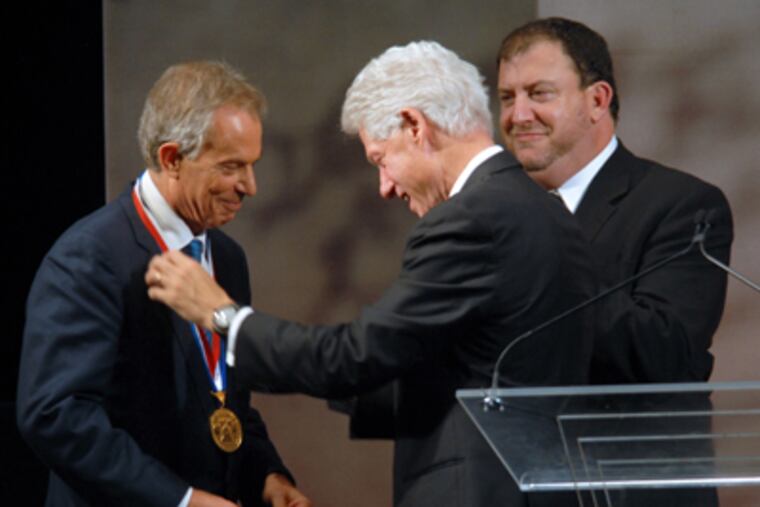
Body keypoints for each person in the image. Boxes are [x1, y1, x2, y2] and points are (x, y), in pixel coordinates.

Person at [146, 41, 596, 507]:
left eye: (381, 159)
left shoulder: (472, 219)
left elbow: (356, 356)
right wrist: (342, 379)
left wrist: (223, 318)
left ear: (414, 126)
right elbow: (475, 374)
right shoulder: (549, 210)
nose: (384, 188)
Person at [17, 61, 311, 507]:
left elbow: (225, 401)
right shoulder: (89, 256)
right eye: (232, 166)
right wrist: (181, 500)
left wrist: (268, 474)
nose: (250, 186)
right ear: (172, 158)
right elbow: (57, 416)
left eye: (252, 165)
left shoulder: (228, 258)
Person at [496, 17, 734, 506]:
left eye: (539, 93)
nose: (518, 114)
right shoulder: (494, 214)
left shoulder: (682, 204)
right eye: (506, 97)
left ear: (597, 100)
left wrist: (536, 266)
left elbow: (664, 350)